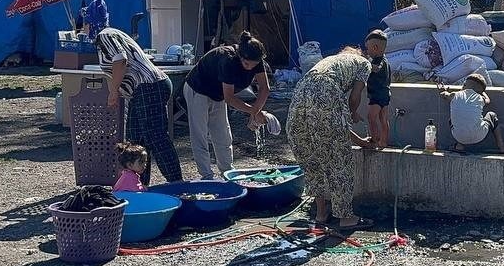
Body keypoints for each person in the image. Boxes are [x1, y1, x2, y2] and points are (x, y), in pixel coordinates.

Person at [286, 47, 375, 230]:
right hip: (324, 90)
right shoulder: (364, 63)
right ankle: (346, 217)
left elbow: (330, 127)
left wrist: (359, 141)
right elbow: (355, 95)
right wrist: (352, 112)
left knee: (311, 156)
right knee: (339, 160)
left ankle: (321, 213)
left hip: (300, 91)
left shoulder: (331, 62)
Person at [93, 26, 183, 185]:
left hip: (149, 85)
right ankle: (137, 184)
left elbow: (121, 60)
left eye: (85, 25)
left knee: (155, 136)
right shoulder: (106, 40)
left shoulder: (105, 35)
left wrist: (113, 92)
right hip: (139, 91)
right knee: (136, 141)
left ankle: (177, 183)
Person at [182, 31, 271, 180]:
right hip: (198, 89)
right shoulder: (228, 60)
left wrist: (256, 111)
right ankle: (207, 176)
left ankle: (227, 171)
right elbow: (230, 98)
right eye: (246, 64)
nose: (250, 68)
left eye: (254, 65)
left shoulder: (256, 60)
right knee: (200, 134)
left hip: (218, 94)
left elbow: (265, 88)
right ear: (241, 57)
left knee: (223, 133)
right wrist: (253, 112)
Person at [441, 73, 504, 154]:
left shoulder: (454, 95)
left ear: (464, 85)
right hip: (479, 136)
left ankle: (459, 146)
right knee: (492, 115)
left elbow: (444, 95)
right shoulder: (479, 98)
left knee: (453, 119)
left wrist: (443, 90)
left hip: (458, 136)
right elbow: (488, 101)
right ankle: (502, 146)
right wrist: (483, 93)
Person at [364, 30, 391, 148]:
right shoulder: (385, 60)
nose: (367, 51)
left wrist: (365, 63)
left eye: (368, 48)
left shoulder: (378, 61)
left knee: (371, 117)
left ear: (375, 47)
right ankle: (383, 141)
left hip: (377, 94)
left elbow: (376, 68)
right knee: (383, 118)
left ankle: (375, 139)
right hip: (385, 93)